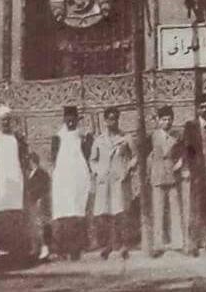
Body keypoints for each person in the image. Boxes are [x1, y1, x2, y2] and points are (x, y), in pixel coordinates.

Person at [90, 106, 137, 260]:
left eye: (116, 119)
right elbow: (92, 160)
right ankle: (107, 246)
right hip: (104, 182)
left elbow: (135, 156)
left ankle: (124, 246)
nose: (113, 122)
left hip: (119, 180)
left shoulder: (126, 138)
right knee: (105, 214)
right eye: (110, 119)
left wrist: (127, 169)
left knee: (121, 213)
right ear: (105, 121)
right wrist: (98, 172)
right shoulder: (99, 140)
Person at [0, 104, 29, 266]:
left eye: (7, 120)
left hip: (16, 186)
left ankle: (16, 257)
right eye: (2, 120)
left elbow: (24, 161)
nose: (5, 123)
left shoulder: (17, 139)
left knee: (15, 220)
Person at [50, 105, 91, 261]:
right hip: (63, 180)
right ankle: (61, 249)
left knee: (77, 213)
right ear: (64, 119)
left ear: (77, 119)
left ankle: (76, 249)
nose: (71, 122)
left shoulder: (82, 137)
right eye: (68, 119)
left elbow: (87, 155)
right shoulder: (57, 138)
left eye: (73, 119)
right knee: (63, 214)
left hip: (78, 179)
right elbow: (54, 159)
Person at [182, 93, 206, 255]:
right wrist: (188, 168)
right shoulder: (191, 126)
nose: (205, 109)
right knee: (195, 207)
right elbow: (188, 149)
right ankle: (193, 244)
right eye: (201, 107)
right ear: (197, 109)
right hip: (198, 173)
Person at [148, 105, 184, 257]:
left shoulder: (176, 137)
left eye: (169, 119)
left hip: (172, 176)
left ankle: (178, 242)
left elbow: (183, 153)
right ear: (158, 120)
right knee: (158, 210)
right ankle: (158, 244)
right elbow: (147, 155)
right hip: (157, 177)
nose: (167, 122)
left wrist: (180, 163)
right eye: (164, 119)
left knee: (175, 210)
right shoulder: (153, 136)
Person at [26, 153, 51, 262]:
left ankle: (45, 248)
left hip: (39, 202)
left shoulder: (42, 173)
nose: (28, 163)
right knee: (36, 226)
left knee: (41, 225)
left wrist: (40, 198)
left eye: (29, 161)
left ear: (33, 161)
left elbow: (45, 187)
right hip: (32, 203)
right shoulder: (30, 173)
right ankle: (37, 249)